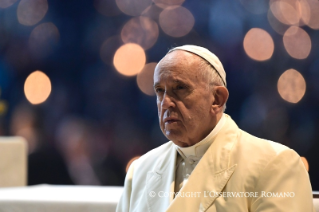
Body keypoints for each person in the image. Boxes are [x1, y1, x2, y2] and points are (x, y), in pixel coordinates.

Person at [116, 45, 315, 212]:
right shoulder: (141, 170)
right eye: (160, 91)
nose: (166, 103)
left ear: (217, 99)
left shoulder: (276, 164)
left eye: (180, 88)